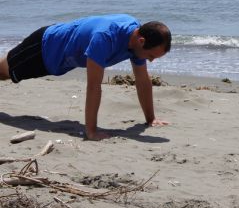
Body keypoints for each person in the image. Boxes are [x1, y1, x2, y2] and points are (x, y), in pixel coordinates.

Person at [0, 14, 172, 140]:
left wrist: (151, 119)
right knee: (4, 72)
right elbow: (93, 86)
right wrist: (91, 131)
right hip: (44, 48)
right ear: (141, 41)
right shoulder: (105, 38)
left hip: (59, 60)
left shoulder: (135, 40)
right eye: (151, 56)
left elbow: (142, 80)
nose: (150, 60)